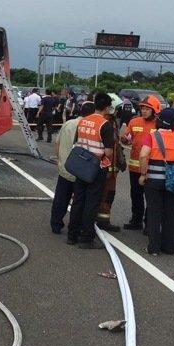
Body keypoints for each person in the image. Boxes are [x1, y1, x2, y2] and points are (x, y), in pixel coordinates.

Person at [138, 108, 174, 256]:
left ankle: (153, 247)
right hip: (172, 181)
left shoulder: (153, 135)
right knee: (172, 213)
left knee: (154, 212)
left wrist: (143, 174)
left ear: (159, 120)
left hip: (154, 180)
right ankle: (169, 247)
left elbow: (143, 156)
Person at [66, 92, 114, 249]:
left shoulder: (83, 121)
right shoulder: (105, 125)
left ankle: (71, 235)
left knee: (78, 200)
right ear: (106, 107)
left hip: (81, 166)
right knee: (91, 203)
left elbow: (76, 142)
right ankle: (86, 238)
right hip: (96, 167)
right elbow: (108, 152)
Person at [50, 101, 95, 234]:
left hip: (65, 167)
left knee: (61, 198)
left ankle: (56, 224)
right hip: (81, 171)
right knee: (79, 201)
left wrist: (59, 160)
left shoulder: (68, 123)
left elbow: (57, 144)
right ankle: (76, 228)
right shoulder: (89, 128)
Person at [121, 96, 160, 231]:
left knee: (151, 198)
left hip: (152, 168)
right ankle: (136, 220)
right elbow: (127, 139)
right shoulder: (134, 122)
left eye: (147, 109)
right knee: (136, 196)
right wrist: (124, 139)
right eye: (142, 108)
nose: (144, 111)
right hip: (135, 167)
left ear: (155, 110)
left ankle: (149, 224)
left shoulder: (159, 125)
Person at [96, 104, 126, 232]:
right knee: (97, 194)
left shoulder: (113, 125)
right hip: (101, 167)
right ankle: (90, 221)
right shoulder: (101, 125)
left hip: (112, 171)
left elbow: (116, 146)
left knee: (108, 196)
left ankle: (103, 221)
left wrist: (120, 161)